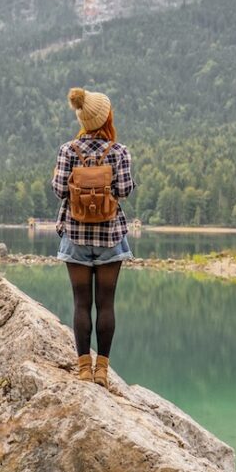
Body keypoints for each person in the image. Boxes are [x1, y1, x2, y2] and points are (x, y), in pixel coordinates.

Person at [52, 87, 135, 388]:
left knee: (81, 304)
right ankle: (102, 370)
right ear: (105, 116)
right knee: (107, 304)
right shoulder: (119, 152)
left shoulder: (67, 150)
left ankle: (83, 368)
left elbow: (60, 191)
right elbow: (124, 191)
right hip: (111, 237)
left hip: (75, 234)